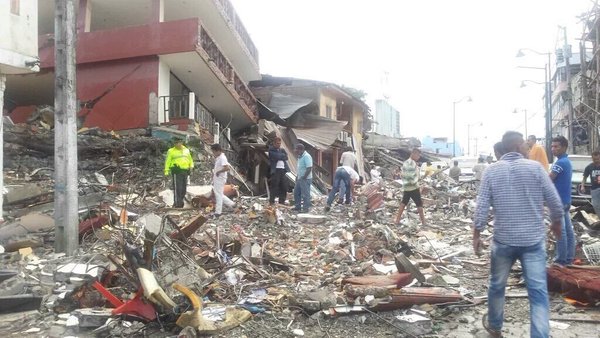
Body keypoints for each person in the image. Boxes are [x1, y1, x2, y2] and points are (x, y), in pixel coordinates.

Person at [473, 131, 563, 338]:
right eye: (524, 144)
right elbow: (554, 200)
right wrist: (557, 222)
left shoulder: (491, 171)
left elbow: (482, 206)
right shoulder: (536, 169)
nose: (528, 147)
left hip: (503, 241)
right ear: (515, 146)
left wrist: (476, 234)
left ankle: (495, 329)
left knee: (497, 285)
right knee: (538, 292)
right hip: (532, 241)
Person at [550, 136, 575, 266]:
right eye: (552, 146)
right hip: (565, 200)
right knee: (568, 231)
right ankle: (569, 258)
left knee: (561, 231)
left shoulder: (560, 163)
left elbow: (549, 179)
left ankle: (561, 260)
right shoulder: (566, 161)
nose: (553, 149)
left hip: (559, 201)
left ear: (564, 147)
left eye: (556, 146)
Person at [395, 148, 426, 225]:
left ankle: (397, 220)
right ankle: (424, 222)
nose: (419, 157)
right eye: (418, 155)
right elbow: (411, 176)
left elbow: (402, 175)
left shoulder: (405, 162)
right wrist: (417, 184)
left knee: (403, 203)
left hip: (406, 187)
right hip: (413, 187)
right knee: (419, 204)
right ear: (414, 154)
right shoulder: (412, 163)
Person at [164, 137, 194, 208]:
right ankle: (177, 204)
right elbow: (167, 161)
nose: (177, 144)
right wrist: (166, 171)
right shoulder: (171, 151)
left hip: (185, 171)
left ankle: (181, 202)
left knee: (183, 188)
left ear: (181, 142)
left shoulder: (186, 150)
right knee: (178, 188)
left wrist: (191, 166)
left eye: (178, 142)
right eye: (175, 143)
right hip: (176, 171)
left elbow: (190, 159)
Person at [211, 143, 235, 217]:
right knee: (219, 193)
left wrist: (218, 172)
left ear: (218, 151)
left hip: (220, 178)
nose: (213, 153)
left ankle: (218, 212)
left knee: (218, 195)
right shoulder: (219, 157)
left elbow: (227, 168)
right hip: (218, 178)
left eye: (214, 151)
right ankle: (232, 204)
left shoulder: (222, 158)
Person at [268, 137, 289, 205]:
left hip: (283, 170)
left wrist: (281, 156)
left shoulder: (282, 150)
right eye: (277, 143)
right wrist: (281, 156)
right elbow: (277, 156)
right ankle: (271, 201)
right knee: (274, 186)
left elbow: (286, 157)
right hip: (276, 170)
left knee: (284, 186)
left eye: (280, 143)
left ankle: (281, 201)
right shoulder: (271, 150)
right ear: (274, 143)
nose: (279, 145)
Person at [294, 144, 313, 212]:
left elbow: (309, 168)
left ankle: (305, 208)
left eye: (297, 149)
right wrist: (297, 176)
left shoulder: (306, 156)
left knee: (305, 194)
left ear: (301, 149)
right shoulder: (300, 156)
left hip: (305, 178)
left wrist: (304, 177)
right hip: (300, 178)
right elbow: (300, 168)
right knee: (296, 192)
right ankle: (297, 207)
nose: (295, 151)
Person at [581, 150, 600, 215]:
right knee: (596, 205)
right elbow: (584, 178)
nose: (596, 160)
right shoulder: (589, 167)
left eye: (598, 159)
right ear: (592, 158)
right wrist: (582, 186)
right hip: (594, 189)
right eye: (594, 159)